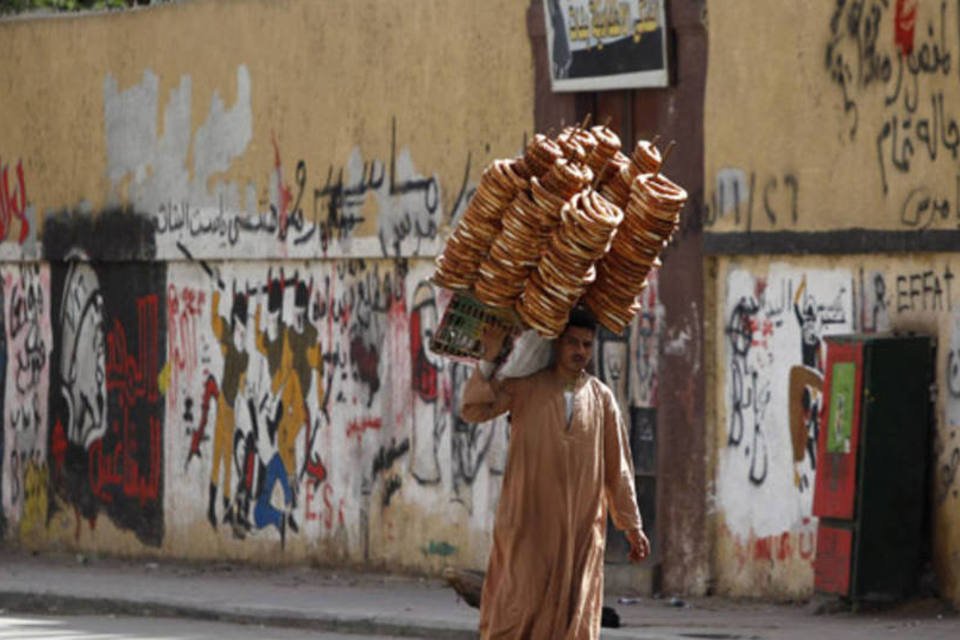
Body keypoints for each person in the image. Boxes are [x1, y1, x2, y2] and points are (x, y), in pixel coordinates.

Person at [460, 306, 650, 639]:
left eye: (586, 345)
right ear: (556, 345)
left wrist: (631, 526)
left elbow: (617, 468)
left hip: (580, 533)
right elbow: (474, 409)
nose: (579, 352)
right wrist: (488, 360)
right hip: (527, 527)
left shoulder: (601, 399)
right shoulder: (525, 389)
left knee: (573, 617)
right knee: (516, 610)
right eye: (572, 343)